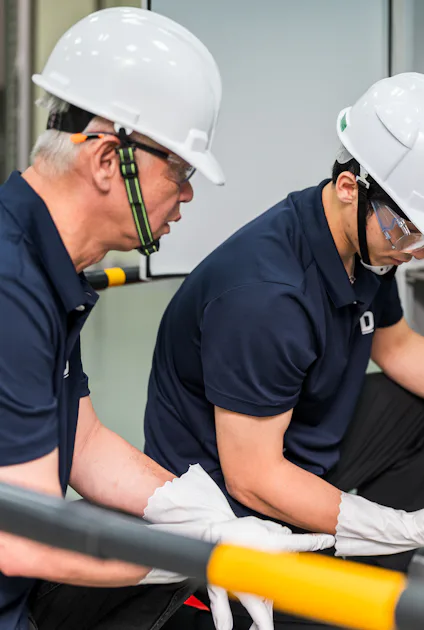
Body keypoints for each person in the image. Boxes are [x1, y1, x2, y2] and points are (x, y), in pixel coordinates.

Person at [142, 72, 424, 629]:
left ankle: (363, 593)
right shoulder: (267, 297)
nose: (418, 252)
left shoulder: (370, 243)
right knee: (311, 560)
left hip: (298, 444)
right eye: (410, 232)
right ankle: (327, 579)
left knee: (418, 410)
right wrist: (393, 527)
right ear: (351, 186)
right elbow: (253, 477)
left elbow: (396, 345)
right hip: (231, 497)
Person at [0, 8, 332, 630]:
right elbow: (23, 541)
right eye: (178, 172)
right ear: (107, 161)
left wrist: (200, 513)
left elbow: (84, 442)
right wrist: (197, 556)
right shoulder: (10, 285)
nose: (188, 194)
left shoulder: (44, 264)